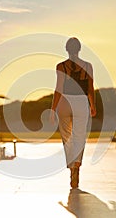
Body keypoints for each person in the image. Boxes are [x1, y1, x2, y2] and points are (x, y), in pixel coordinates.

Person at [50, 37, 96, 188]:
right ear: (79, 49)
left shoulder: (60, 66)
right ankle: (77, 166)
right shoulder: (88, 66)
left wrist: (52, 109)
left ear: (67, 49)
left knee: (67, 137)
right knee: (79, 137)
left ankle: (71, 167)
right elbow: (90, 88)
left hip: (64, 102)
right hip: (81, 101)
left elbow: (59, 89)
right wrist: (92, 105)